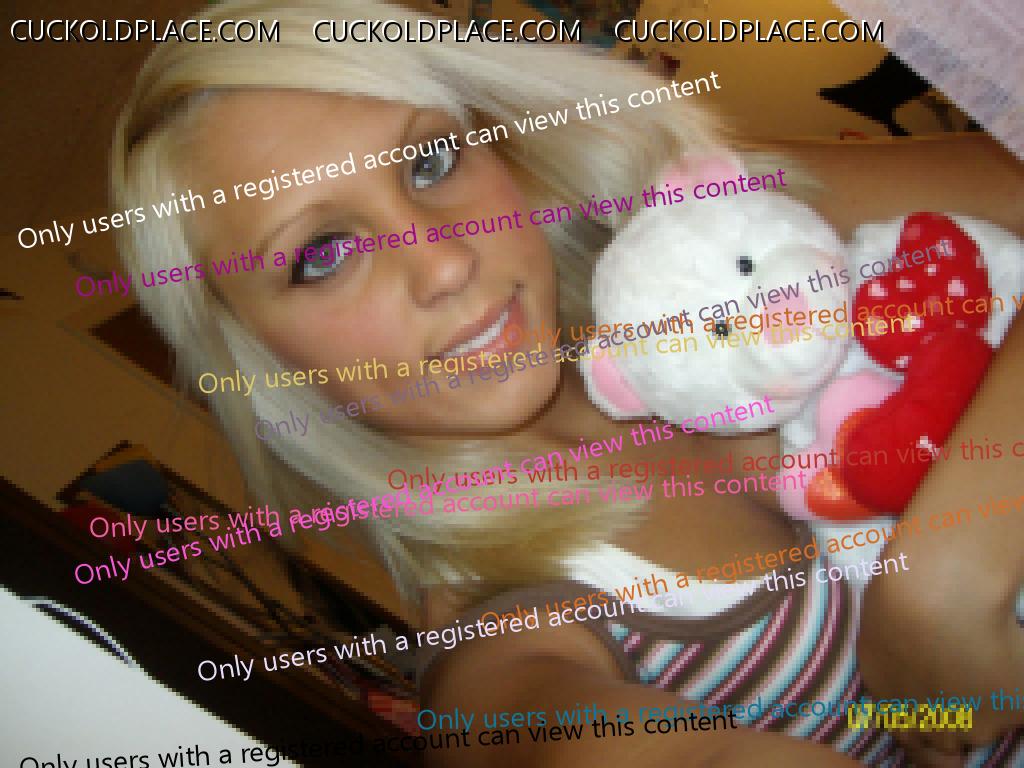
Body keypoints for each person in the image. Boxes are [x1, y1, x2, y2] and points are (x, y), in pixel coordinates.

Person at [111, 1, 1024, 765]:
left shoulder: (697, 231)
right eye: (322, 253)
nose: (445, 262)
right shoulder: (504, 639)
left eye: (430, 161)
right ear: (256, 353)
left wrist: (951, 568)